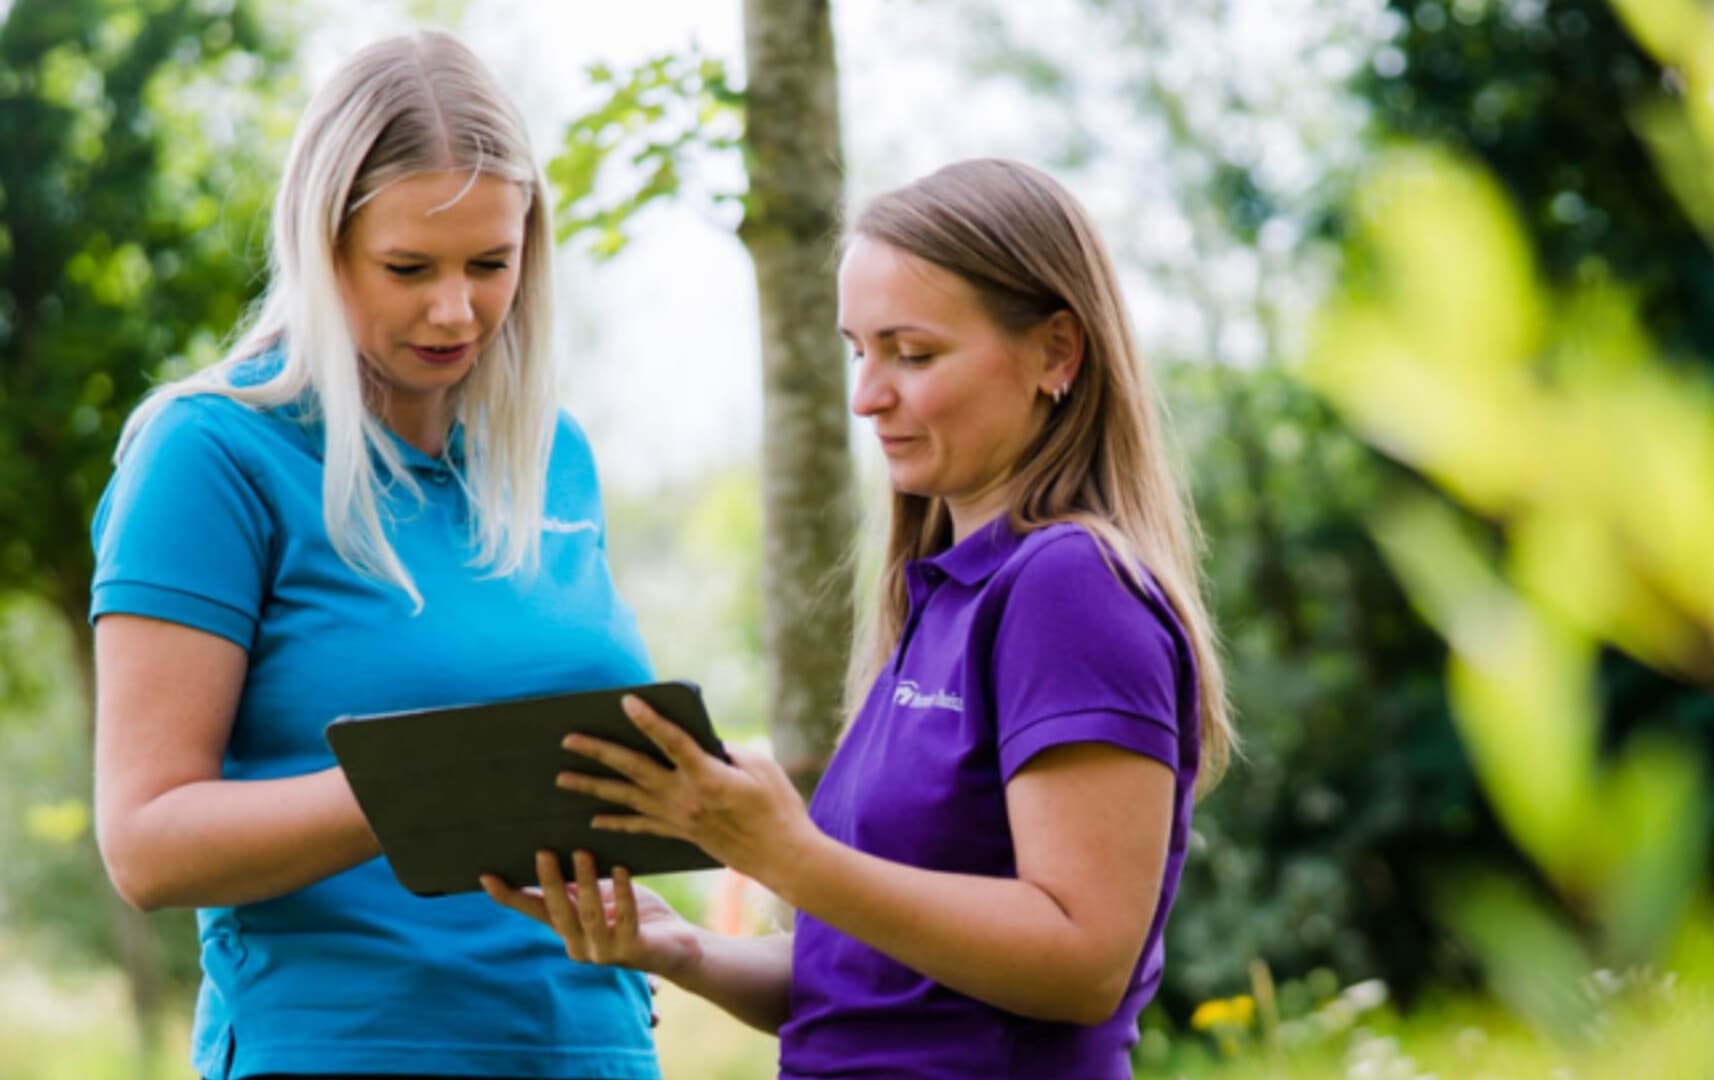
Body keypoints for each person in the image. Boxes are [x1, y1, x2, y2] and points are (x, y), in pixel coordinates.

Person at [486, 158, 1234, 1079]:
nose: (866, 395)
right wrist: (684, 950)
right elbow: (879, 986)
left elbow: (1083, 962)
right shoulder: (944, 599)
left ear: (1056, 353)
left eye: (912, 354)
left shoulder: (1066, 585)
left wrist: (787, 855)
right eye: (858, 350)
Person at [90, 31, 663, 1080]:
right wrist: (451, 784)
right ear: (323, 248)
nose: (456, 310)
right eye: (409, 268)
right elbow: (146, 842)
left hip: (592, 1050)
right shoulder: (210, 454)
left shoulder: (555, 455)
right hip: (343, 1051)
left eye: (491, 264)